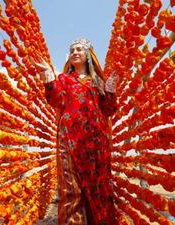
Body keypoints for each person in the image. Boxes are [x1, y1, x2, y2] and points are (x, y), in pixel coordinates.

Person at [33, 38, 125, 225]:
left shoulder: (98, 82)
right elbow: (56, 100)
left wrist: (110, 90)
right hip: (70, 138)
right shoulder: (64, 79)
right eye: (72, 49)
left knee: (98, 185)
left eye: (79, 49)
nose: (75, 52)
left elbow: (108, 110)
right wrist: (48, 75)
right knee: (71, 186)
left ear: (88, 55)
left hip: (96, 141)